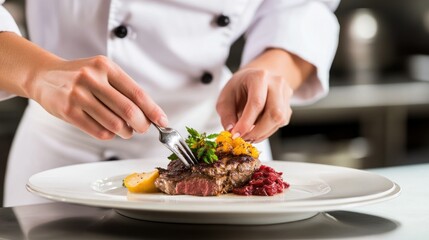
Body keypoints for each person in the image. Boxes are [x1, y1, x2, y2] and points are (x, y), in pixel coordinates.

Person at [0, 0, 340, 207]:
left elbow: (302, 6)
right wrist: (36, 72)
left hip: (225, 139)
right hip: (67, 157)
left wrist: (272, 69)